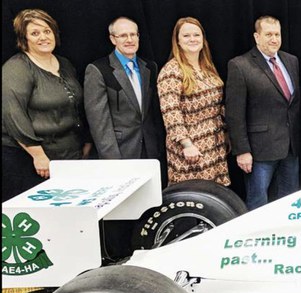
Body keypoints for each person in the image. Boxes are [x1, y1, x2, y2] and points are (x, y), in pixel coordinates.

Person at [2, 9, 91, 202]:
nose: (43, 37)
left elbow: (76, 105)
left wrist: (85, 140)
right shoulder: (16, 68)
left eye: (47, 31)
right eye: (35, 33)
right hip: (32, 162)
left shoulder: (64, 64)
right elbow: (12, 114)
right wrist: (38, 155)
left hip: (67, 155)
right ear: (24, 39)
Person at [226, 16, 300, 210]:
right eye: (268, 34)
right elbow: (235, 114)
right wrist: (242, 151)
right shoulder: (240, 65)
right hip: (259, 151)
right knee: (258, 203)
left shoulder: (291, 61)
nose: (274, 39)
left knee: (290, 201)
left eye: (277, 34)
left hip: (290, 148)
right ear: (256, 37)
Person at [158, 17, 230, 186]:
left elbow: (218, 105)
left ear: (203, 39)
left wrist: (226, 134)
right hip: (191, 151)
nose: (192, 39)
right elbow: (170, 112)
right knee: (194, 198)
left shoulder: (207, 67)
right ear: (178, 41)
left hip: (214, 146)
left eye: (196, 35)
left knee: (215, 200)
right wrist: (186, 144)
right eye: (186, 36)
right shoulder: (171, 70)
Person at [84, 17, 164, 164]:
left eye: (133, 34)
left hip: (151, 151)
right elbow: (99, 123)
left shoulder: (150, 67)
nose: (129, 40)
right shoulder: (98, 70)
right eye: (123, 35)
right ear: (113, 39)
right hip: (120, 152)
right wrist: (113, 161)